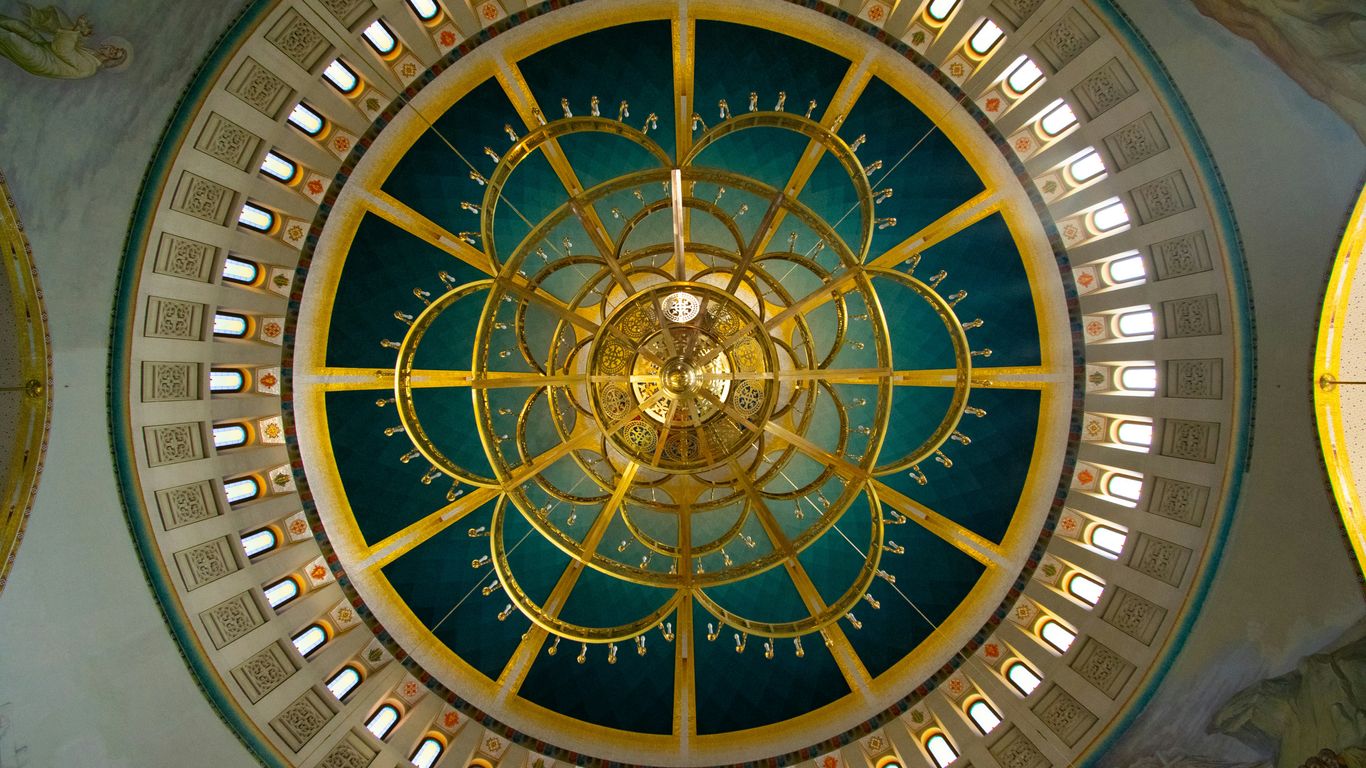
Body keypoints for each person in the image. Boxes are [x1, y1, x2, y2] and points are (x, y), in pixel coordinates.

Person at [0, 3, 128, 79]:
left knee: (11, 37)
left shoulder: (89, 68)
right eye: (116, 48)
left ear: (110, 59)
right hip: (46, 47)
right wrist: (81, 31)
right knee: (16, 24)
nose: (113, 49)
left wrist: (77, 28)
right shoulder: (91, 53)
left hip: (42, 61)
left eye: (115, 53)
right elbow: (72, 43)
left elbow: (62, 50)